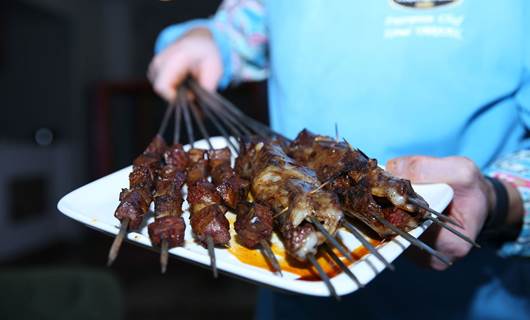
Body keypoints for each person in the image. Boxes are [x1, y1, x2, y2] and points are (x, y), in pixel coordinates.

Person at [148, 0, 530, 319]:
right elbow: (246, 25)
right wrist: (210, 40)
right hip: (294, 288)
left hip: (475, 297)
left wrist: (501, 200)